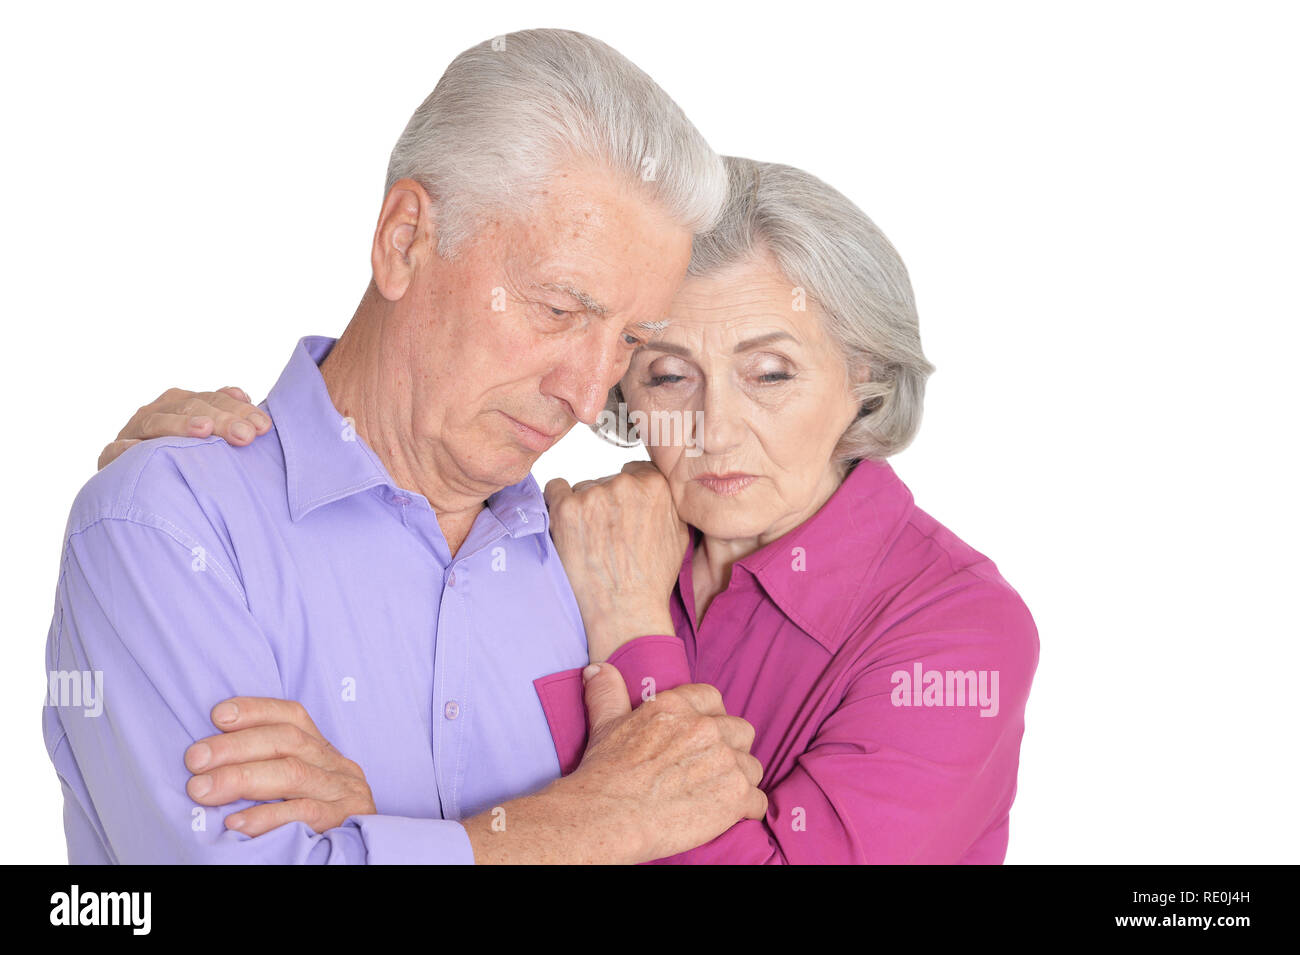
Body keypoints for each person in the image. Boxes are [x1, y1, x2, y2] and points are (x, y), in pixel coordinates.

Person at [107, 157, 1040, 863]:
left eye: (772, 372)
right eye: (671, 373)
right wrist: (194, 480)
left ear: (866, 378)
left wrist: (633, 628)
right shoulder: (545, 531)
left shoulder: (960, 631)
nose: (715, 427)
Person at [43, 28, 766, 865]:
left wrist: (373, 831)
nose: (584, 393)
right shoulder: (169, 530)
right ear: (404, 239)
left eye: (631, 341)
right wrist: (601, 820)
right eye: (560, 310)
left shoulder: (604, 568)